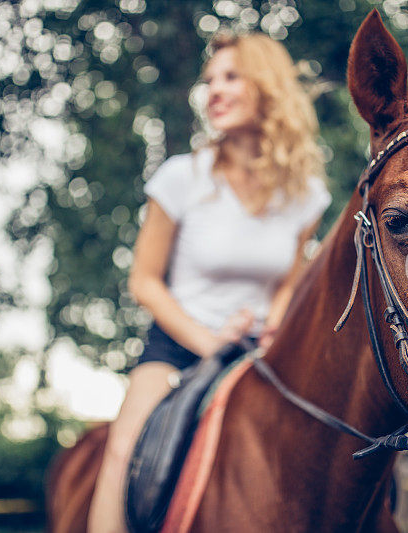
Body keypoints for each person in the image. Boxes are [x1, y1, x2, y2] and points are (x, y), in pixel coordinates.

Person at [88, 31, 331, 532]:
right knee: (123, 454)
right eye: (209, 81)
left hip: (265, 355)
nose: (213, 91)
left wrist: (274, 325)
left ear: (267, 86)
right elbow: (145, 282)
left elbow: (289, 281)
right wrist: (210, 342)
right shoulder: (183, 177)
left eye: (231, 77)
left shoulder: (306, 194)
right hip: (179, 349)